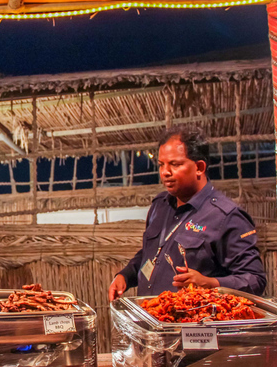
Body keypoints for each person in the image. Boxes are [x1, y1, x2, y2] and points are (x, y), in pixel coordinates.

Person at [109, 128, 266, 300]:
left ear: (199, 167)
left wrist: (210, 283)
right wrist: (125, 275)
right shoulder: (160, 206)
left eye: (175, 164)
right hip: (150, 321)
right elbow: (151, 254)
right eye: (161, 164)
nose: (165, 172)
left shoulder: (226, 217)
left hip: (193, 325)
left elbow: (255, 280)